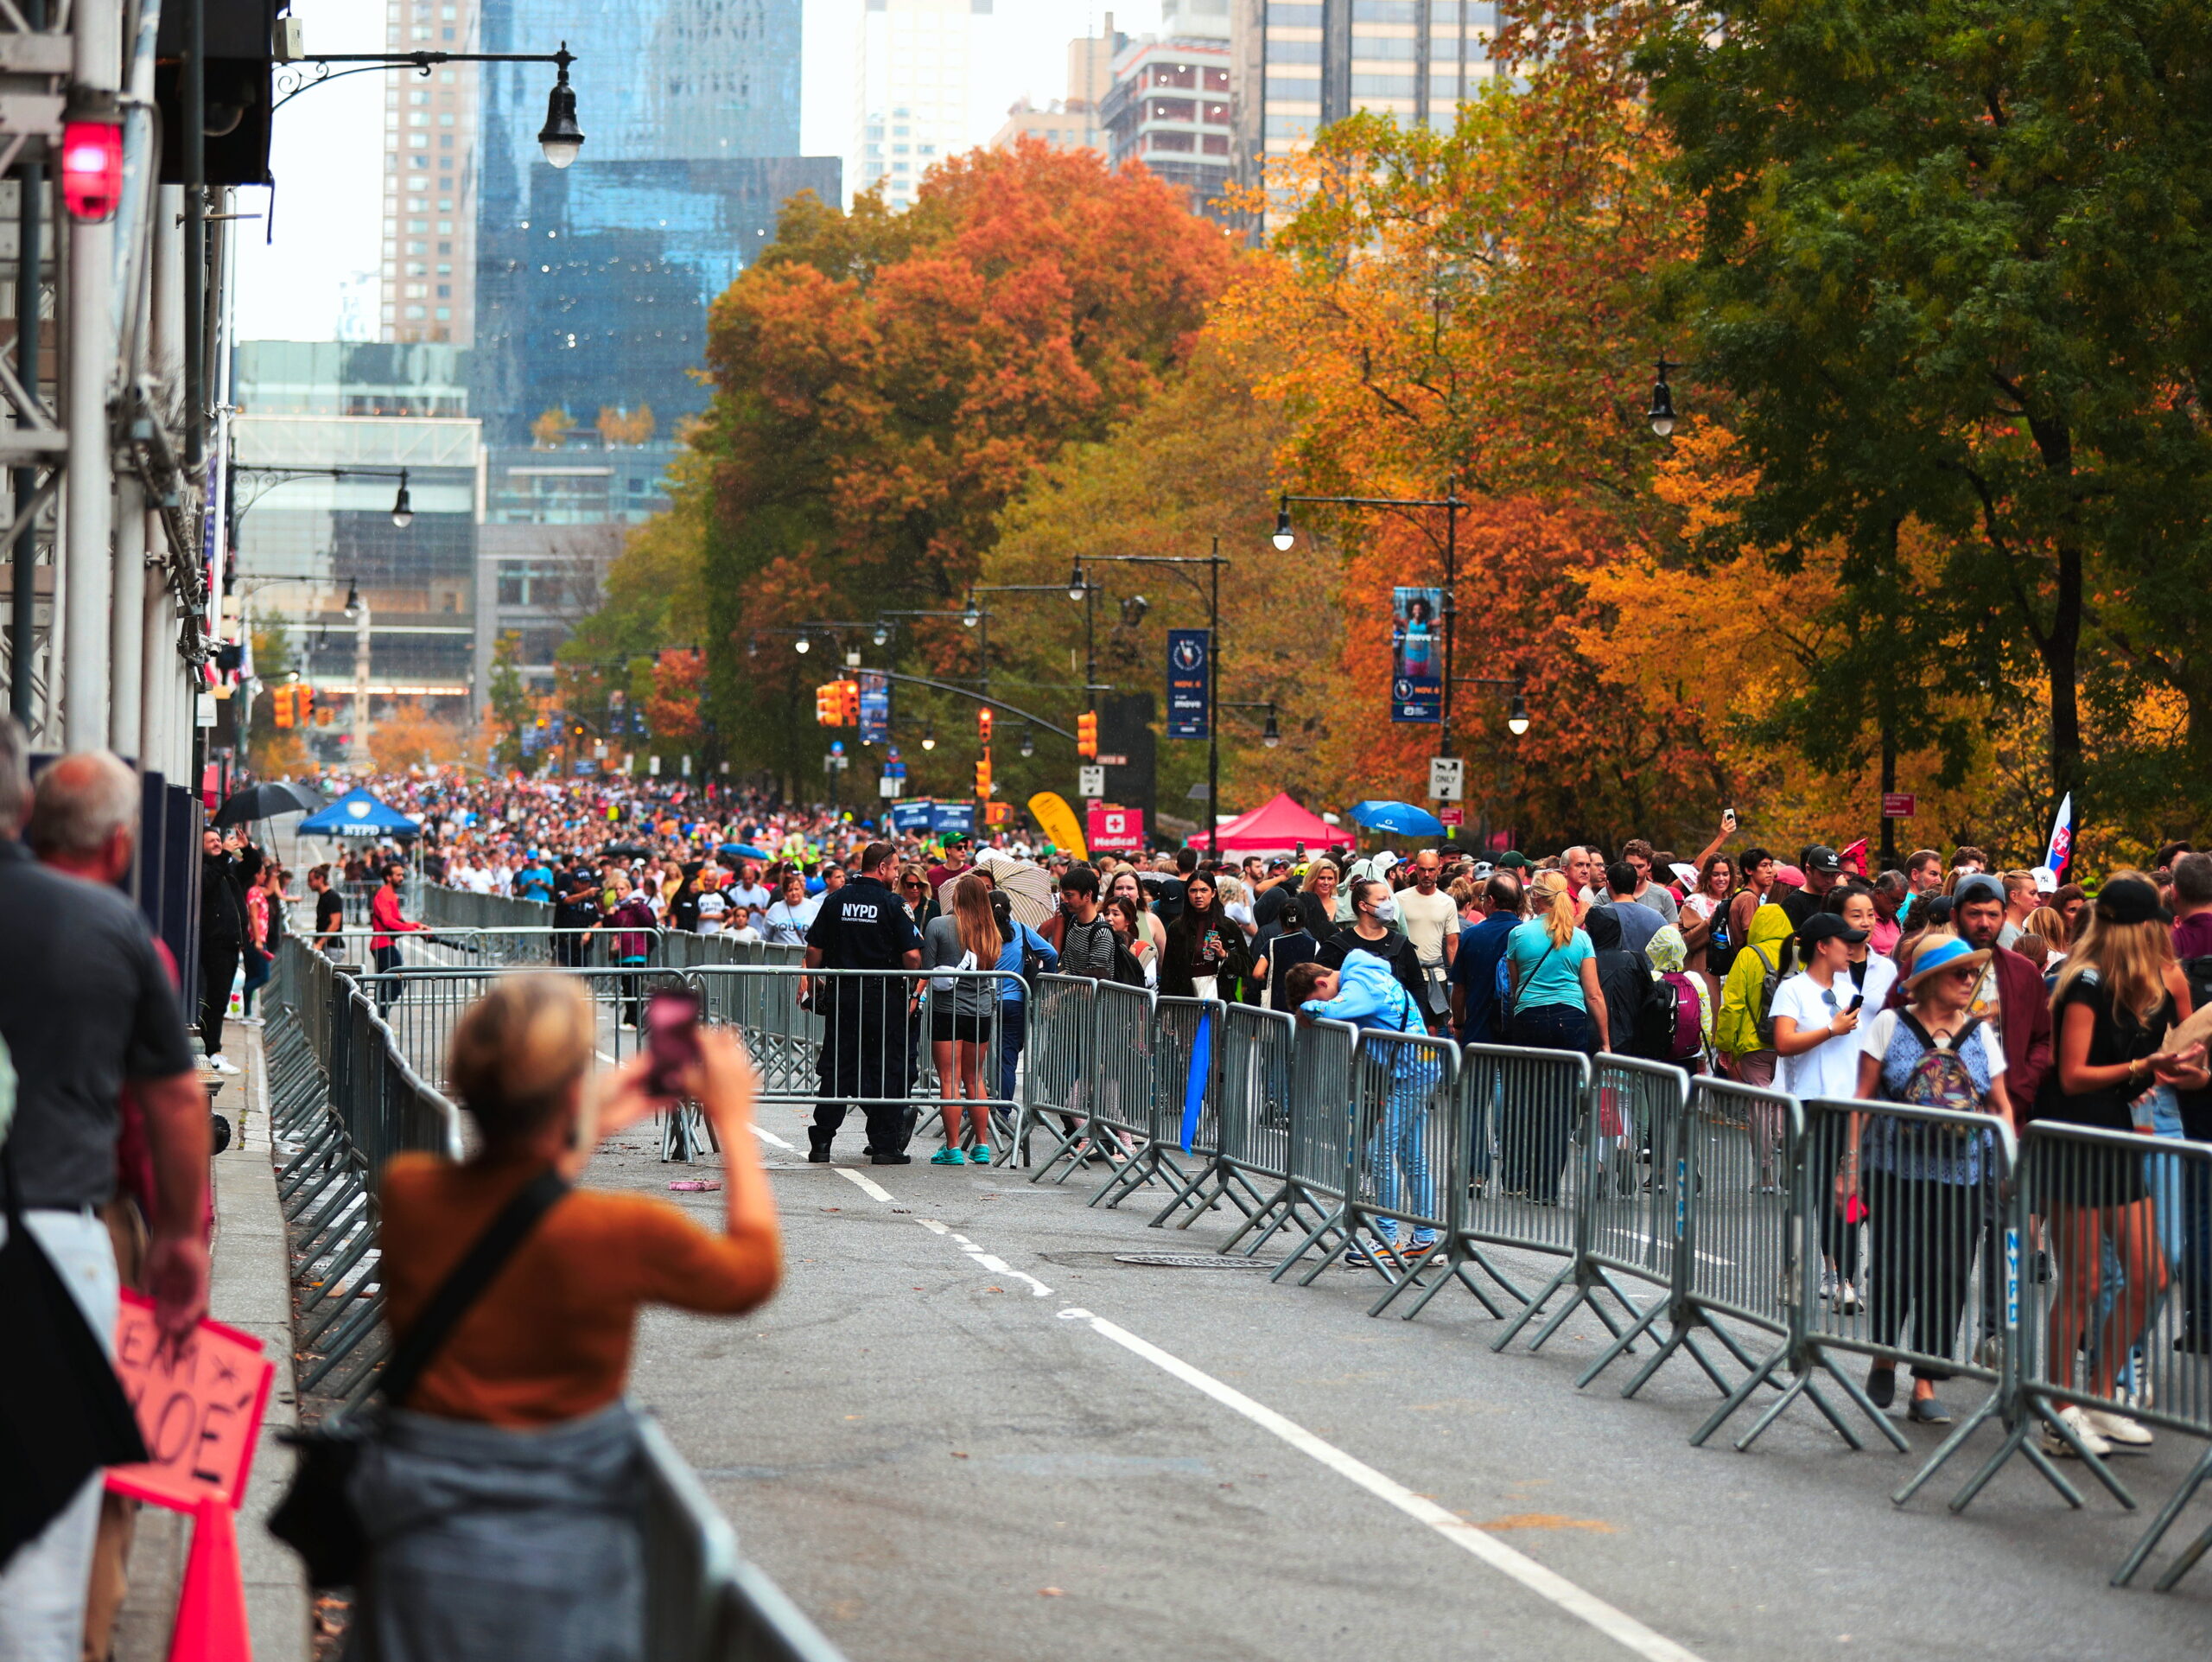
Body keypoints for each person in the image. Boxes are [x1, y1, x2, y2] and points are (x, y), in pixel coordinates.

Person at [357, 976, 779, 1662]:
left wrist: (597, 1110)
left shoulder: (410, 1191)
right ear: (570, 1094)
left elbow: (522, 1185)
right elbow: (752, 1272)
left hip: (417, 1532)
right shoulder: (621, 1230)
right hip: (564, 1546)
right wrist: (732, 1120)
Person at [0, 743, 208, 1662]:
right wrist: (177, 1240)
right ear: (122, 848)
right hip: (55, 1239)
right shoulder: (110, 931)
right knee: (44, 1550)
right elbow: (172, 1099)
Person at [2037, 873, 2207, 1457]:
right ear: (2133, 929)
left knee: (2152, 1274)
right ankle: (2059, 1408)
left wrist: (2178, 1068)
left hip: (2115, 1133)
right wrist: (2145, 1067)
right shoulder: (2083, 981)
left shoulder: (2141, 985)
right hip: (2075, 1136)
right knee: (2082, 1280)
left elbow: (2144, 1068)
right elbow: (2073, 1074)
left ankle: (2098, 1396)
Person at [1842, 931, 2018, 1424]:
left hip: (1963, 1176)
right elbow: (1861, 1099)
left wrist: (2009, 1165)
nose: (1969, 980)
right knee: (1896, 1267)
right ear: (1931, 979)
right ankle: (1883, 1354)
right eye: (1960, 972)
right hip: (1896, 1169)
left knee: (1948, 1277)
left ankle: (1923, 1383)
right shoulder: (1889, 1024)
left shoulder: (1981, 1034)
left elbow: (2002, 1106)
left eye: (1971, 972)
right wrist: (1849, 1168)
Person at [1288, 951, 1444, 1265]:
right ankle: (1425, 1240)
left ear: (1321, 982)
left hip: (1412, 1072)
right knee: (1411, 1156)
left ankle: (1386, 1239)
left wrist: (1307, 1007)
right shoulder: (1365, 974)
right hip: (1418, 1068)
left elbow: (1332, 1009)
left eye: (1317, 992)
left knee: (1379, 1152)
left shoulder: (1358, 985)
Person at [804, 842, 925, 1165]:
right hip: (885, 999)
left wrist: (815, 985)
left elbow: (813, 950)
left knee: (837, 1068)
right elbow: (913, 955)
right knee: (887, 1070)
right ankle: (885, 1146)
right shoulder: (892, 904)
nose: (898, 875)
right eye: (896, 868)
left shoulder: (835, 900)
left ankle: (822, 1143)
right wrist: (913, 981)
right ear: (882, 867)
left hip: (843, 996)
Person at [1501, 872, 1609, 1204]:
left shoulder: (1519, 934)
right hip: (1570, 1019)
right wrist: (1604, 1040)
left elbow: (1516, 985)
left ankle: (1525, 1176)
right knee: (1562, 1105)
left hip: (1530, 1018)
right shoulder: (1580, 939)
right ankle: (1547, 1188)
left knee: (1529, 1100)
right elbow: (1593, 994)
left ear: (1537, 898)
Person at [923, 873, 1001, 1164]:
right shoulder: (990, 931)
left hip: (947, 1009)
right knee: (975, 1077)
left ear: (957, 897)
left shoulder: (939, 925)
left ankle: (953, 1146)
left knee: (949, 1077)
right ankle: (982, 1144)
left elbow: (928, 968)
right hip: (980, 1010)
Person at [1317, 878, 1428, 1017]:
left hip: (1394, 1028)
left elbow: (1417, 985)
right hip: (1351, 1028)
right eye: (1382, 900)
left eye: (1389, 898)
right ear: (1363, 906)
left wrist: (1415, 1018)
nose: (1389, 905)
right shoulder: (1335, 946)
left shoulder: (1400, 943)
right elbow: (1319, 987)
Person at [988, 888, 1059, 1105]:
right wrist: (1045, 981)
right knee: (1007, 1060)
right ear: (1010, 909)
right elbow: (1051, 954)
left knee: (979, 1062)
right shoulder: (1021, 929)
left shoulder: (978, 931)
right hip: (1015, 1002)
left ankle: (974, 1111)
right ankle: (1003, 1112)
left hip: (983, 1003)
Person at [1449, 871, 1524, 1046]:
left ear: (1490, 900)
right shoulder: (1526, 935)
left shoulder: (1471, 935)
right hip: (1517, 1031)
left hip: (1478, 1030)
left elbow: (1459, 988)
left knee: (1477, 1074)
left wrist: (1459, 1024)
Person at [198, 826, 247, 1073]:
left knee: (221, 999)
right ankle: (210, 1051)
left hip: (230, 943)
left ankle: (214, 1050)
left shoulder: (226, 867)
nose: (218, 843)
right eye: (212, 841)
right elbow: (206, 883)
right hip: (214, 943)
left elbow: (250, 871)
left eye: (219, 840)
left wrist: (246, 849)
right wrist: (224, 856)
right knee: (214, 1000)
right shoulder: (207, 867)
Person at [1160, 871, 1252, 1001]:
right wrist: (1165, 1003)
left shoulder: (1228, 926)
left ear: (1213, 893)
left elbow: (1247, 967)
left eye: (1204, 890)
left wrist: (1224, 954)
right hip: (1184, 1001)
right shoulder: (1177, 928)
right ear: (1187, 893)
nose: (1198, 895)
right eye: (1193, 891)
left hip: (1219, 998)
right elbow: (1169, 970)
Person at [1398, 850, 1460, 1025]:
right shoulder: (1400, 899)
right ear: (1415, 870)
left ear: (1439, 870)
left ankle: (1430, 1054)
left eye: (1431, 869)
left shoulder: (1447, 902)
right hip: (1407, 974)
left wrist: (1456, 980)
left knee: (1432, 1029)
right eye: (1423, 869)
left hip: (1435, 975)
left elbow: (1452, 944)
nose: (1427, 874)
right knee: (1407, 1024)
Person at [369, 863, 429, 1017]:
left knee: (386, 985)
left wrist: (416, 925)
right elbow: (388, 921)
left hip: (386, 944)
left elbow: (398, 921)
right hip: (382, 945)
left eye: (402, 874)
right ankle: (378, 1017)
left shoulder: (390, 895)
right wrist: (412, 929)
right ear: (388, 877)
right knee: (395, 983)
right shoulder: (384, 895)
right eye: (398, 875)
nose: (402, 878)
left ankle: (378, 1019)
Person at [1678, 855, 1736, 988]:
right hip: (1703, 972)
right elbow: (1686, 940)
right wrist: (1712, 921)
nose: (1721, 879)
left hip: (1730, 973)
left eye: (1725, 874)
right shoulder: (1694, 901)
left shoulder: (1734, 901)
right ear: (1707, 876)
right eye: (1716, 874)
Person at [1054, 865, 1118, 982]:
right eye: (1063, 895)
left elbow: (1093, 982)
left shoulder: (1102, 933)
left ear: (1088, 895)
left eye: (1069, 895)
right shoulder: (1074, 922)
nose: (1064, 900)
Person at [1591, 861, 1665, 954]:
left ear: (1608, 884)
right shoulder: (1657, 918)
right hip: (1649, 968)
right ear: (1636, 884)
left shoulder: (1599, 916)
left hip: (1606, 968)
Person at [763, 870, 817, 946]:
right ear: (784, 893)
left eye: (797, 889)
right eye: (790, 890)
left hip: (805, 956)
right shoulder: (775, 908)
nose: (794, 893)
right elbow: (765, 935)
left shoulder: (814, 907)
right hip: (780, 956)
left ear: (803, 890)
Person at [309, 863, 346, 958]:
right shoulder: (324, 896)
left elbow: (335, 924)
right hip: (326, 947)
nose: (309, 884)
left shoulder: (333, 897)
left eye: (311, 880)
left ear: (320, 879)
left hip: (333, 947)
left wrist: (320, 943)